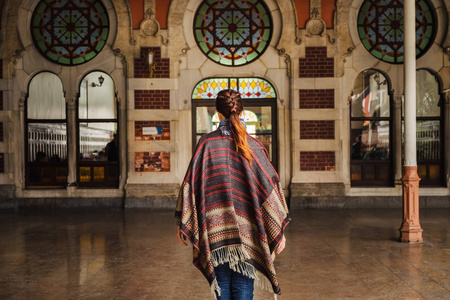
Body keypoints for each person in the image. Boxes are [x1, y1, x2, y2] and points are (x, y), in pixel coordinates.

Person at [175, 89, 290, 300]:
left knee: (223, 286)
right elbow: (271, 186)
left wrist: (185, 222)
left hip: (214, 227)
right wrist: (278, 229)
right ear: (242, 111)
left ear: (218, 114)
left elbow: (191, 185)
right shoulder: (254, 146)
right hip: (249, 229)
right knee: (244, 285)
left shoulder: (206, 144)